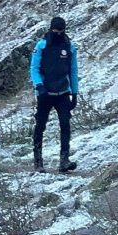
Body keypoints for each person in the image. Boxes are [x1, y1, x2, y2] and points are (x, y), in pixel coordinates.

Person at [30, 16, 79, 173]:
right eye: (55, 31)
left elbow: (73, 70)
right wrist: (39, 86)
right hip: (45, 93)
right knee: (40, 125)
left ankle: (64, 160)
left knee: (65, 124)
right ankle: (38, 161)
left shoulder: (69, 47)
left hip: (63, 93)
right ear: (51, 29)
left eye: (61, 31)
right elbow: (34, 68)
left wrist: (75, 93)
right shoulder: (42, 46)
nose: (58, 33)